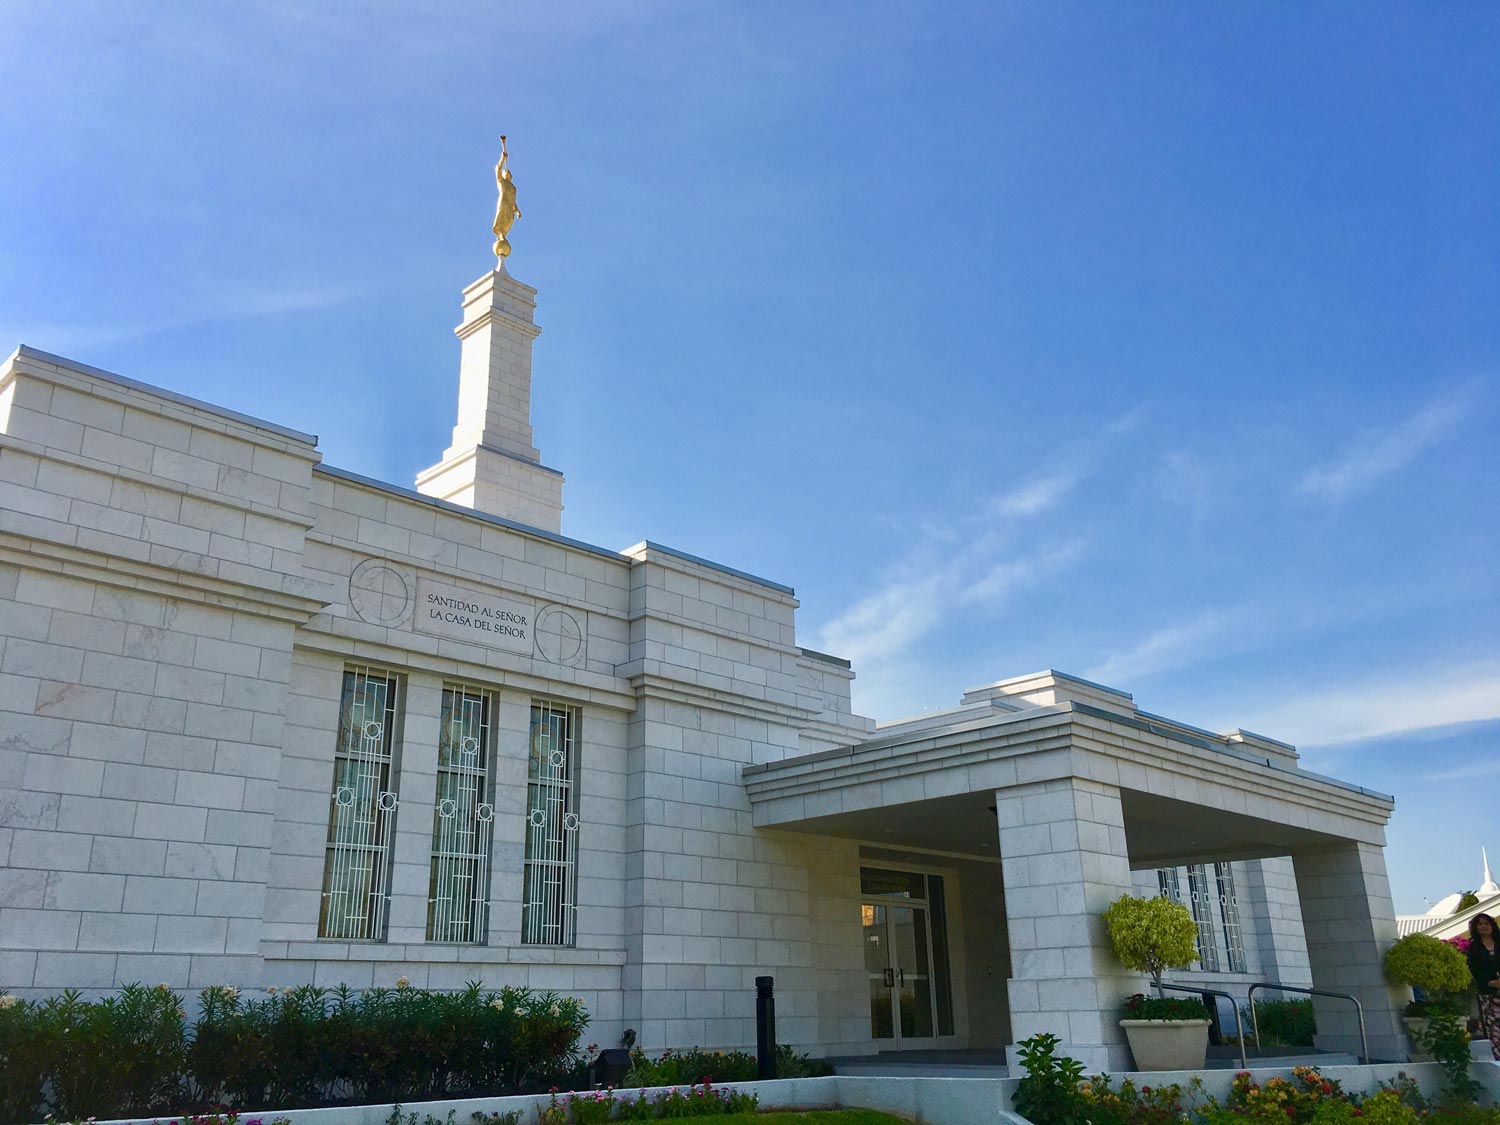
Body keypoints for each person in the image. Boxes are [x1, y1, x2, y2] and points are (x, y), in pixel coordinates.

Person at [1468, 911, 1500, 1060]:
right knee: (1495, 1031)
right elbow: (1474, 970)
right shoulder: (1474, 949)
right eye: (1480, 924)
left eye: (1486, 923)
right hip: (1488, 995)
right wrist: (1491, 982)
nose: (1483, 926)